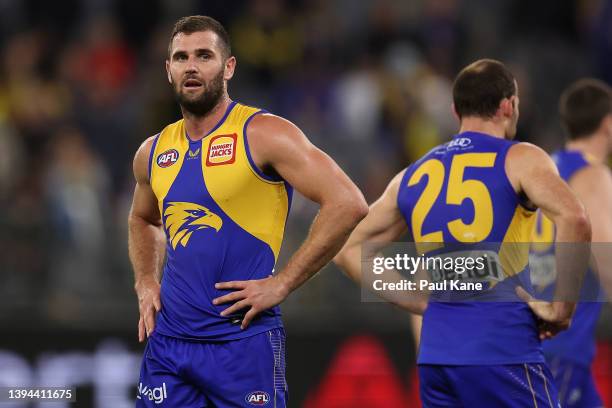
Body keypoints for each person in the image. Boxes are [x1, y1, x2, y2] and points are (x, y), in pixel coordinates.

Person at [128, 15, 368, 407]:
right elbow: (142, 218)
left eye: (204, 55)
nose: (191, 66)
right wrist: (144, 282)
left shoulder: (264, 133)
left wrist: (283, 282)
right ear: (168, 70)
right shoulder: (152, 151)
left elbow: (348, 203)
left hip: (242, 343)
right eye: (181, 57)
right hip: (169, 346)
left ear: (229, 66)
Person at [334, 59, 591, 407]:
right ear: (508, 105)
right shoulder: (521, 158)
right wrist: (562, 309)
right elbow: (575, 218)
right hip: (503, 349)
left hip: (436, 359)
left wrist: (415, 299)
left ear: (455, 110)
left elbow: (349, 248)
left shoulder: (412, 175)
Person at [530, 78, 612, 408]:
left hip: (534, 335)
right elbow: (606, 258)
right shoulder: (591, 174)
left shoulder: (541, 169)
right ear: (607, 123)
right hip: (564, 343)